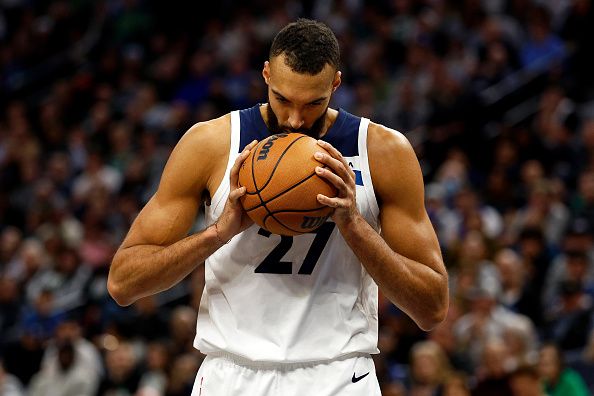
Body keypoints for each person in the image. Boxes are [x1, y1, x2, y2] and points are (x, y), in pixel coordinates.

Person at [107, 18, 449, 395]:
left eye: (313, 103)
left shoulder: (383, 151)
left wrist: (354, 225)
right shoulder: (211, 144)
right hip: (231, 373)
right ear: (266, 74)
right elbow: (123, 283)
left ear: (336, 83)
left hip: (338, 373)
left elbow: (431, 307)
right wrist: (218, 233)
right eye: (283, 99)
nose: (294, 120)